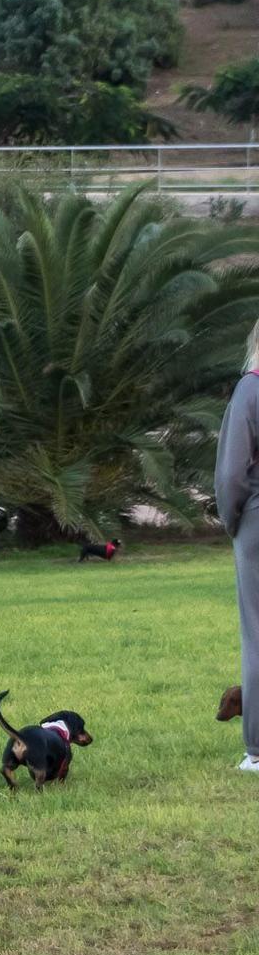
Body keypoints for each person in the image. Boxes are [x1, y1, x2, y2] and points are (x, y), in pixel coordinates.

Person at [215, 317, 259, 774]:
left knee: (258, 634)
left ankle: (258, 750)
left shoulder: (252, 388)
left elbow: (231, 475)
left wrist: (234, 521)